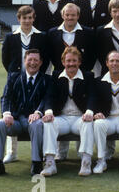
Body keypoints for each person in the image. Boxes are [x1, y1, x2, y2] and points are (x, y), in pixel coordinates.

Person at [0, 49, 51, 177]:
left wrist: (38, 112)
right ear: (24, 61)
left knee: (37, 125)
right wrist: (6, 114)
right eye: (30, 60)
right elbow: (6, 97)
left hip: (33, 120)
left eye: (36, 60)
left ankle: (36, 163)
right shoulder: (13, 77)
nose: (32, 63)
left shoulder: (47, 79)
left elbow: (47, 99)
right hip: (15, 120)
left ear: (41, 62)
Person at [1, 5, 49, 164]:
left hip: (36, 77)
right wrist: (15, 74)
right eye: (24, 18)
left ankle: (39, 152)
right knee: (12, 112)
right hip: (16, 79)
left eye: (30, 18)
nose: (27, 21)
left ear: (33, 18)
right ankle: (11, 152)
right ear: (18, 19)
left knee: (36, 114)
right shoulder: (10, 37)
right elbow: (6, 59)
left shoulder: (41, 36)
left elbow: (46, 58)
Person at [40, 46, 96, 177]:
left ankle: (86, 162)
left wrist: (89, 112)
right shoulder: (56, 76)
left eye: (74, 61)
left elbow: (93, 96)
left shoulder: (88, 76)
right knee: (48, 123)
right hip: (62, 118)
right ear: (63, 62)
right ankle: (49, 163)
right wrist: (48, 112)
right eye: (68, 61)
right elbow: (49, 96)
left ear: (79, 62)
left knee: (88, 123)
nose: (71, 64)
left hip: (80, 118)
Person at [46, 3, 96, 73]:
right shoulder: (52, 33)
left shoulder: (88, 33)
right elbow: (51, 55)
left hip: (82, 76)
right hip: (59, 75)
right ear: (62, 15)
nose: (70, 17)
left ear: (78, 16)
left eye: (73, 15)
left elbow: (92, 56)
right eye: (67, 15)